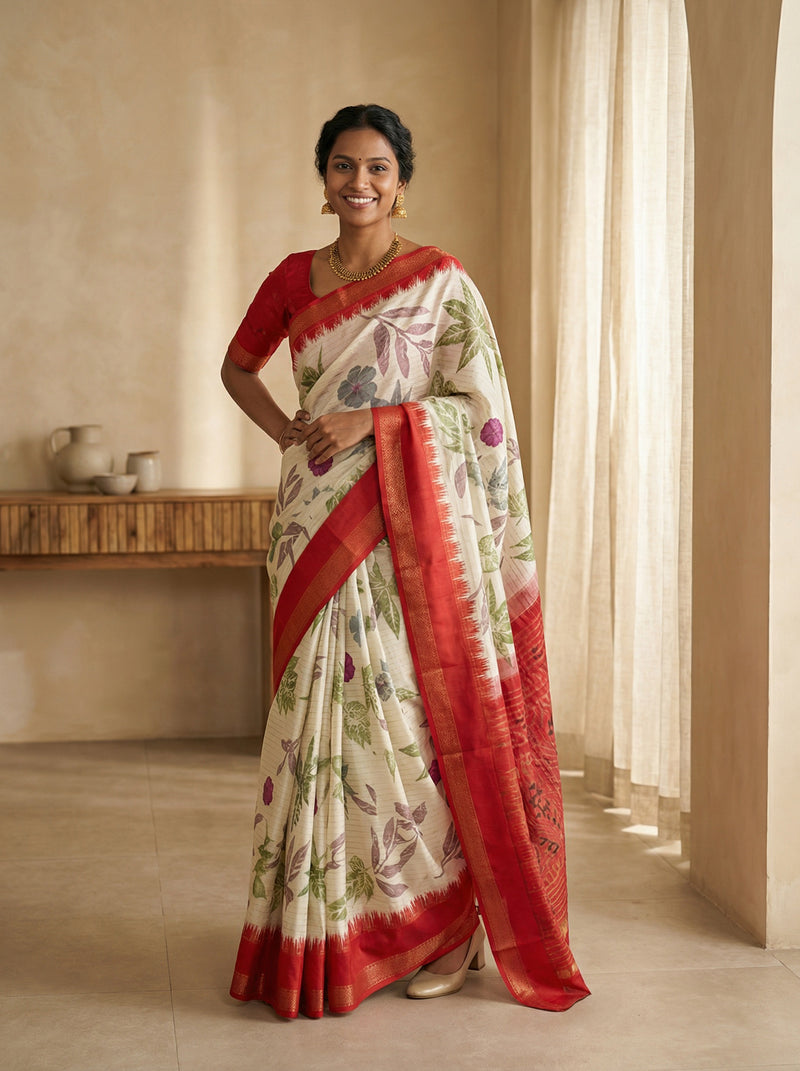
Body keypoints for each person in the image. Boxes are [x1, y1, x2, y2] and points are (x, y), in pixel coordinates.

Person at [221, 103, 589, 1020]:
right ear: (324, 178)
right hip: (311, 521)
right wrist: (292, 433)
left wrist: (375, 422)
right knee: (315, 727)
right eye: (344, 166)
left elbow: (482, 412)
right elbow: (238, 367)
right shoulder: (293, 278)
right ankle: (330, 925)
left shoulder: (440, 281)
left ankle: (446, 926)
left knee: (404, 723)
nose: (360, 182)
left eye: (378, 168)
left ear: (401, 182)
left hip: (402, 529)